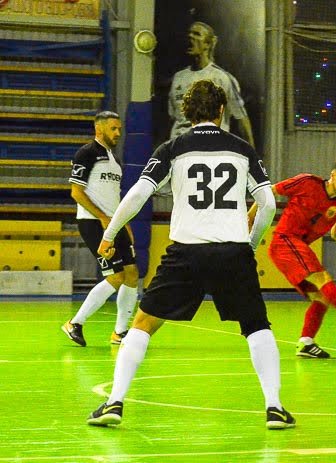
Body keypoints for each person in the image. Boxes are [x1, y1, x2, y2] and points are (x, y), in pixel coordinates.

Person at [87, 79, 294, 430]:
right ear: (221, 111)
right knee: (257, 326)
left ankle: (114, 403)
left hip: (186, 253)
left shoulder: (173, 148)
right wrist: (251, 245)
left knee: (142, 324)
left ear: (186, 113)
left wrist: (109, 234)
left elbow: (138, 195)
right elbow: (268, 203)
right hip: (232, 252)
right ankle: (274, 408)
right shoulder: (241, 149)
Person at [247, 159, 336, 359]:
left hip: (297, 247)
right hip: (285, 241)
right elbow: (269, 191)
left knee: (322, 297)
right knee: (323, 279)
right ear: (332, 176)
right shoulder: (308, 182)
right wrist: (250, 216)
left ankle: (306, 343)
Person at [62, 111, 138, 347]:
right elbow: (76, 192)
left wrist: (123, 223)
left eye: (119, 129)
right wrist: (103, 218)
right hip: (94, 223)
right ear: (99, 129)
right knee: (115, 277)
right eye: (113, 128)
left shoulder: (113, 160)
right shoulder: (86, 153)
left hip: (113, 224)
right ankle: (75, 323)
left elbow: (113, 198)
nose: (118, 133)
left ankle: (120, 332)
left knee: (132, 274)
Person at [168, 21, 255, 147]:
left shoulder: (221, 78)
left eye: (197, 34)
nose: (191, 37)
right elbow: (174, 118)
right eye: (189, 34)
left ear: (207, 44)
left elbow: (241, 119)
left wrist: (253, 157)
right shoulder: (178, 78)